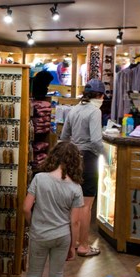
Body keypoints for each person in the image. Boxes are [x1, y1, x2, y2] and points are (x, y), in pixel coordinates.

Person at [15, 141, 84, 277]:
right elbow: (76, 221)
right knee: (57, 276)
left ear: (53, 156)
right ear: (73, 162)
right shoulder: (75, 188)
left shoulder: (40, 178)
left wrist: (32, 224)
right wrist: (73, 245)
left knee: (33, 276)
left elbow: (26, 208)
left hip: (39, 234)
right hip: (62, 236)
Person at [59, 79, 104, 257]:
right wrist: (105, 156)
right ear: (100, 96)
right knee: (86, 205)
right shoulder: (94, 112)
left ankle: (73, 242)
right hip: (88, 158)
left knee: (74, 204)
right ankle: (84, 246)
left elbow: (64, 136)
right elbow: (95, 140)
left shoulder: (74, 109)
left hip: (73, 158)